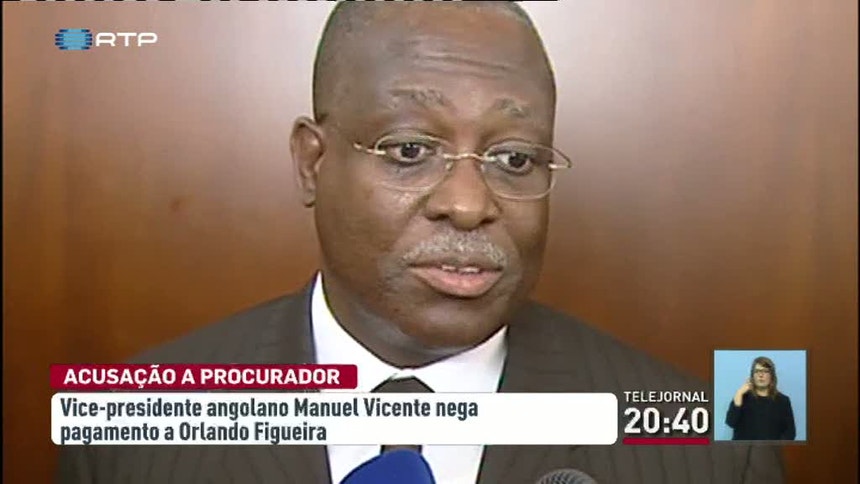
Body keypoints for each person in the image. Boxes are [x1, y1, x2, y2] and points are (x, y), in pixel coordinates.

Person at [57, 3, 786, 483]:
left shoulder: (720, 449)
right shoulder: (124, 432)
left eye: (515, 159)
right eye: (409, 150)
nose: (469, 205)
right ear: (312, 163)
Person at [726, 357, 797, 441]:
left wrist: (776, 447)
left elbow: (790, 433)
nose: (761, 375)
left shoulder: (783, 401)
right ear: (752, 376)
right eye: (757, 371)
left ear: (772, 376)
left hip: (771, 448)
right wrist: (739, 394)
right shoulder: (742, 397)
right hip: (744, 448)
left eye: (765, 371)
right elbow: (730, 422)